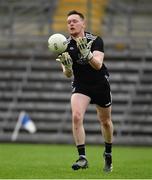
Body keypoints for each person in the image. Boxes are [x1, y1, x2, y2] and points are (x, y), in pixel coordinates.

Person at [56, 10, 113, 172]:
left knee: (106, 121)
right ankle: (82, 157)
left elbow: (98, 65)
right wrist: (67, 67)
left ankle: (108, 153)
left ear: (83, 24)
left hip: (100, 84)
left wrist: (87, 54)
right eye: (68, 22)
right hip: (82, 85)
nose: (71, 24)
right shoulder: (64, 45)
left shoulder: (95, 40)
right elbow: (67, 75)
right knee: (76, 116)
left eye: (74, 21)